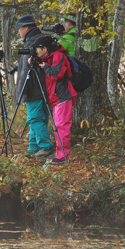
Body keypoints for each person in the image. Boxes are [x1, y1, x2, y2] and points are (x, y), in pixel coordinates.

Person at [32, 34, 78, 165]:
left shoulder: (58, 56)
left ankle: (63, 155)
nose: (36, 51)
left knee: (61, 125)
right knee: (57, 125)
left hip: (63, 95)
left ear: (45, 48)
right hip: (57, 97)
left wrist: (44, 66)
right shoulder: (49, 57)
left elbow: (57, 73)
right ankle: (60, 153)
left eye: (37, 49)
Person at [13, 15, 54, 159]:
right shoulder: (41, 40)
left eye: (20, 29)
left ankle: (45, 146)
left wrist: (22, 91)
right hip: (45, 87)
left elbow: (28, 70)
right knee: (39, 118)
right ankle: (33, 147)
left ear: (26, 28)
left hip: (34, 88)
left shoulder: (33, 43)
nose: (19, 32)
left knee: (34, 118)